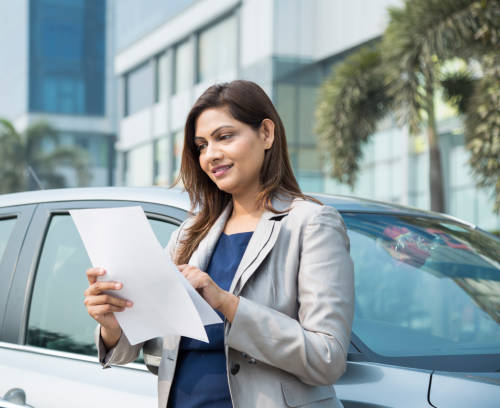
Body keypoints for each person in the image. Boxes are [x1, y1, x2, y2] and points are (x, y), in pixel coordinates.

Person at [84, 80, 354, 408]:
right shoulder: (188, 235)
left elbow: (327, 359)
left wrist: (228, 304)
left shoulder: (311, 223)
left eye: (224, 137)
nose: (211, 154)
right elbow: (149, 346)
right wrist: (114, 323)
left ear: (266, 133)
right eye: (201, 145)